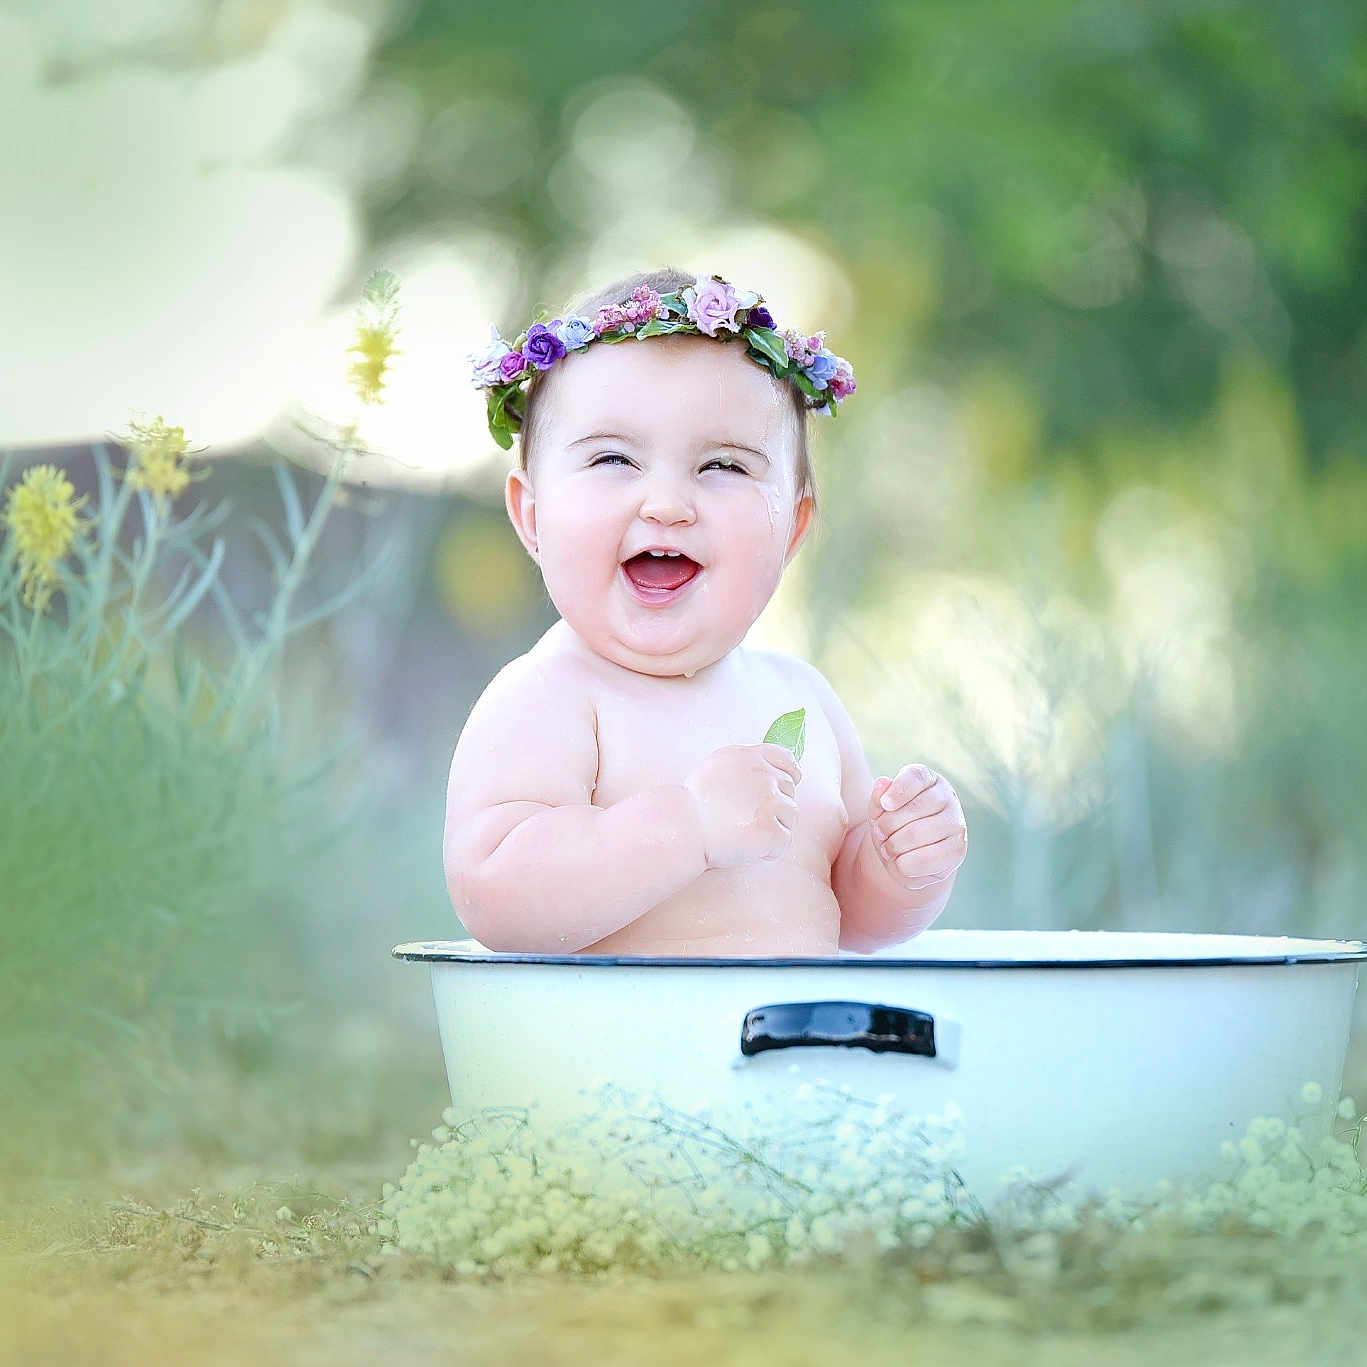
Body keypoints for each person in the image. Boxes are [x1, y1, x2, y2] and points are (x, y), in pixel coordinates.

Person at [444, 267, 967, 956]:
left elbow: (850, 917)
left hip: (792, 1054)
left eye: (722, 466)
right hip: (613, 1058)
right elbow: (496, 896)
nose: (666, 502)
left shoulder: (801, 698)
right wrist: (686, 823)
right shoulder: (550, 697)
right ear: (533, 515)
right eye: (612, 458)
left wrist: (899, 867)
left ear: (792, 530)